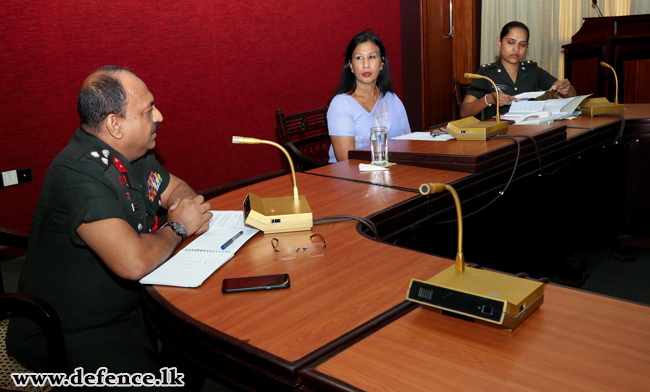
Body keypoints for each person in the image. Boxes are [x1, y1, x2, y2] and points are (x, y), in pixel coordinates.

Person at [7, 66, 212, 388]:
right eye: (147, 111)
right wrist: (179, 227)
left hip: (136, 304)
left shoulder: (135, 154)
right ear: (115, 124)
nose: (159, 116)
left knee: (206, 338)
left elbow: (176, 189)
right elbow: (133, 263)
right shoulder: (78, 176)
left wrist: (182, 206)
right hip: (76, 328)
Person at [460, 21, 577, 119]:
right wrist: (489, 99)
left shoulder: (532, 70)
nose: (516, 49)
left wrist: (566, 89)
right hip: (501, 135)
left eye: (522, 45)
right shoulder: (487, 73)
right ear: (499, 42)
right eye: (511, 42)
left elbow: (571, 95)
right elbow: (464, 112)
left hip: (531, 132)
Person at [327, 30, 411, 163]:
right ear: (351, 66)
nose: (366, 65)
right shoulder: (341, 104)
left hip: (392, 171)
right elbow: (345, 160)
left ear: (382, 63)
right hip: (350, 177)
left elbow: (407, 145)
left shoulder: (392, 99)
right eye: (359, 58)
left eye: (372, 57)